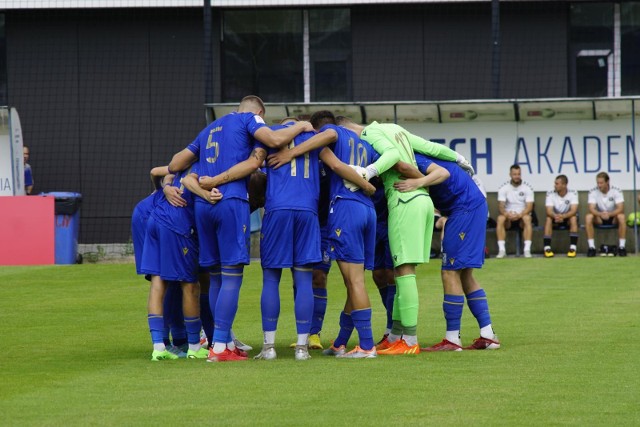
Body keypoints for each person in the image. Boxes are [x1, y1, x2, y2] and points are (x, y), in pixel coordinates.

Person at [168, 95, 314, 362]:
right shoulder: (251, 120)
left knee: (215, 277)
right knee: (232, 276)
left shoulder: (210, 128)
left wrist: (201, 185)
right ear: (258, 112)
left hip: (204, 205)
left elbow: (176, 164)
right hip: (231, 200)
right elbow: (271, 143)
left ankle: (220, 342)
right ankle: (221, 348)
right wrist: (301, 127)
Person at [337, 117, 470, 355]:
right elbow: (431, 147)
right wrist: (459, 158)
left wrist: (369, 171)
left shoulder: (368, 134)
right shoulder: (394, 128)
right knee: (401, 272)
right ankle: (397, 336)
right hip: (422, 202)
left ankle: (409, 341)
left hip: (403, 199)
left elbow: (390, 155)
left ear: (346, 129)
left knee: (405, 272)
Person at [266, 111, 379, 358]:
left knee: (354, 282)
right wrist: (369, 186)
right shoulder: (365, 145)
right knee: (355, 281)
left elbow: (336, 163)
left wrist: (290, 152)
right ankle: (340, 342)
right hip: (368, 211)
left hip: (346, 208)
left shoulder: (332, 135)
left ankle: (367, 346)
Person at [395, 153, 500, 351]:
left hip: (464, 209)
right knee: (465, 273)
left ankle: (452, 339)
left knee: (450, 271)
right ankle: (488, 334)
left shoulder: (415, 158)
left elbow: (441, 173)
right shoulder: (423, 155)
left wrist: (417, 183)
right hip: (468, 207)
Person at [139, 165, 212, 361]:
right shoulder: (207, 165)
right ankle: (195, 347)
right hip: (177, 225)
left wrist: (167, 184)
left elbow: (160, 171)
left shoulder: (184, 162)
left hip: (156, 219)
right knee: (190, 285)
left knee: (158, 282)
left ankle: (158, 347)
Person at [496, 165, 535, 258]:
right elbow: (501, 206)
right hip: (508, 218)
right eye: (514, 174)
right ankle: (502, 250)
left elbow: (529, 206)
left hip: (522, 217)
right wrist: (506, 214)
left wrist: (520, 215)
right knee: (500, 218)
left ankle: (527, 250)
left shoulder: (527, 188)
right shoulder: (504, 188)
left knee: (527, 218)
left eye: (519, 174)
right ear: (510, 175)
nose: (517, 176)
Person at [585, 172, 627, 257]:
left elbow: (620, 208)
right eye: (598, 183)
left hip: (613, 216)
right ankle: (591, 247)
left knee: (621, 216)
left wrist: (610, 214)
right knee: (588, 217)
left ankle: (622, 247)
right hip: (599, 217)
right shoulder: (593, 191)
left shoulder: (616, 190)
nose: (599, 185)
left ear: (607, 182)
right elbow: (591, 208)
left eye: (601, 183)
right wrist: (600, 214)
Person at [543, 175, 579, 258]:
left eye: (557, 183)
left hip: (567, 217)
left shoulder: (573, 193)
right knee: (548, 219)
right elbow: (549, 211)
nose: (554, 185)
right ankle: (547, 248)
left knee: (573, 218)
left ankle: (573, 248)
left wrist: (563, 216)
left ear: (564, 185)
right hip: (555, 217)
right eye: (555, 183)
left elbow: (573, 210)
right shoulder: (550, 193)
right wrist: (556, 216)